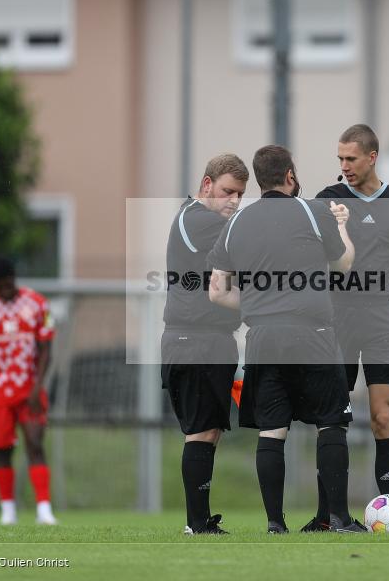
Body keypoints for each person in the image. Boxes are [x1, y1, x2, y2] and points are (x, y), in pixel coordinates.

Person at [208, 144, 367, 533]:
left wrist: (257, 310)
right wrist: (343, 226)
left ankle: (275, 523)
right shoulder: (312, 212)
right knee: (331, 422)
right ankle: (339, 518)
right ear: (290, 176)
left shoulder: (237, 224)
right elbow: (344, 263)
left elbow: (216, 290)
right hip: (312, 333)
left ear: (259, 180)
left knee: (273, 429)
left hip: (263, 338)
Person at [304, 124, 389, 532]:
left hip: (381, 318)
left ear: (372, 157)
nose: (344, 167)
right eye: (339, 159)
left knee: (382, 416)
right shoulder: (329, 200)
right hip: (337, 316)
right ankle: (329, 517)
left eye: (351, 159)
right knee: (333, 418)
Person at [161, 153, 249, 535]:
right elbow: (249, 252)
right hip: (193, 340)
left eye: (241, 195)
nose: (233, 201)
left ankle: (200, 520)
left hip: (206, 340)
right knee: (200, 430)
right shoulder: (200, 220)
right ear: (207, 184)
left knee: (209, 429)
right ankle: (196, 524)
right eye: (228, 191)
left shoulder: (199, 218)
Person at [0, 257, 57, 525]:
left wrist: (38, 385)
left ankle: (44, 510)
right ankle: (8, 511)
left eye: (9, 283)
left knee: (35, 442)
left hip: (29, 387)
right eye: (0, 285)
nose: (6, 288)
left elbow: (46, 348)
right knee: (3, 449)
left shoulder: (38, 304)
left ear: (15, 278)